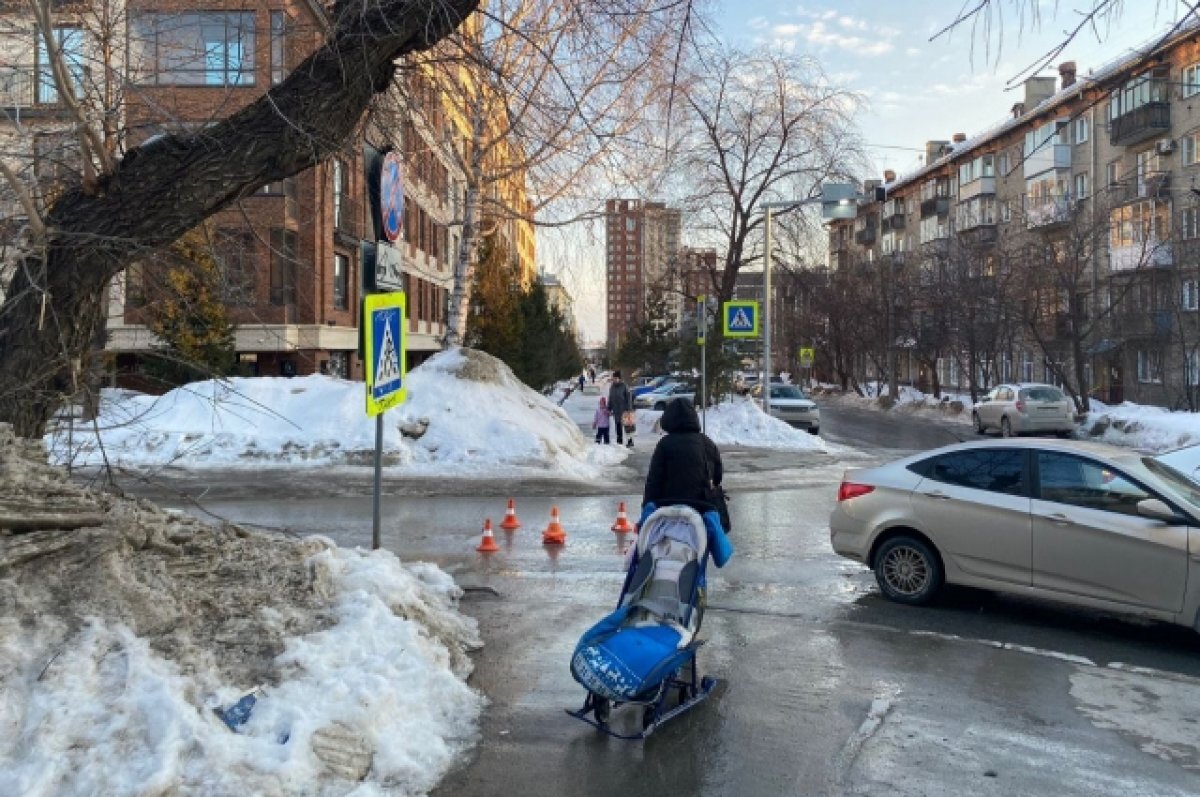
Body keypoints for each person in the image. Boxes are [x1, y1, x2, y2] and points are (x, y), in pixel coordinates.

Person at [642, 399, 729, 531]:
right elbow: (717, 476)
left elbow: (654, 482)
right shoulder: (707, 443)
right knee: (715, 542)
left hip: (668, 510)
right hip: (702, 509)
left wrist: (646, 510)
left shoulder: (664, 444)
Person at [607, 370, 632, 446]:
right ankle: (619, 441)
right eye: (613, 378)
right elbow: (610, 398)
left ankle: (630, 441)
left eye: (615, 378)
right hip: (616, 410)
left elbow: (628, 398)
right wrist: (609, 408)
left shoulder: (624, 386)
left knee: (627, 426)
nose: (614, 380)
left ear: (619, 378)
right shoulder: (612, 387)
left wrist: (629, 408)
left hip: (624, 409)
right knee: (618, 426)